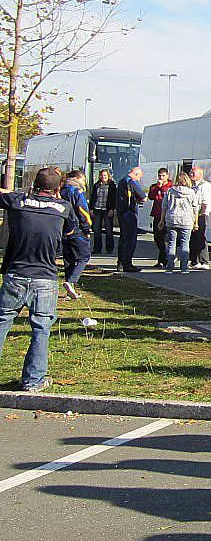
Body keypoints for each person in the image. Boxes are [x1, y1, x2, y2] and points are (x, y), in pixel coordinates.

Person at [0, 167, 78, 391]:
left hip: (16, 273)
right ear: (57, 190)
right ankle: (33, 381)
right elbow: (71, 232)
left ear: (33, 185)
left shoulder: (18, 201)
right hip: (45, 277)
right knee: (41, 329)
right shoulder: (63, 207)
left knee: (2, 322)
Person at [59, 170, 92, 300]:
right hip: (77, 229)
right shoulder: (76, 191)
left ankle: (69, 290)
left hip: (63, 229)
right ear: (77, 178)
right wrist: (87, 228)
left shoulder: (61, 190)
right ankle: (71, 281)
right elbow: (83, 211)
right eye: (83, 179)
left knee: (69, 260)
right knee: (83, 257)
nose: (84, 182)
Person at [161, 169, 199, 274]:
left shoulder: (170, 191)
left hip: (172, 219)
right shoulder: (191, 192)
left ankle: (169, 268)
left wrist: (161, 220)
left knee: (171, 243)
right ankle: (184, 268)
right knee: (185, 244)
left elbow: (164, 206)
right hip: (186, 221)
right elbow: (195, 208)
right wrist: (195, 222)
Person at [115, 166, 146, 272]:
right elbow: (143, 197)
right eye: (139, 177)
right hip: (129, 212)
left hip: (121, 212)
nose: (139, 180)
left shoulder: (121, 181)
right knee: (130, 239)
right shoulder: (132, 182)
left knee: (123, 238)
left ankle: (120, 263)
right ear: (136, 174)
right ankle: (127, 263)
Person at [147, 167, 173, 269]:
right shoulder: (154, 186)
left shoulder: (171, 186)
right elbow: (151, 196)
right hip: (157, 214)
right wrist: (158, 187)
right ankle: (164, 257)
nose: (161, 178)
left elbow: (168, 197)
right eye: (159, 176)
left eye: (163, 176)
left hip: (167, 215)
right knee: (157, 237)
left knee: (165, 237)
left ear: (167, 176)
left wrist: (162, 188)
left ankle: (164, 259)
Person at [189, 166, 211, 270]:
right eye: (190, 173)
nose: (191, 175)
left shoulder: (205, 185)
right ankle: (195, 261)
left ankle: (204, 261)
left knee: (200, 236)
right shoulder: (191, 186)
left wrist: (200, 216)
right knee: (193, 237)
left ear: (200, 174)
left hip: (201, 215)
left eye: (193, 173)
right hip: (192, 214)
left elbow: (205, 202)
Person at [89, 168, 117, 255]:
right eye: (102, 175)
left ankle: (109, 248)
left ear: (108, 176)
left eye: (105, 175)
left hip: (107, 209)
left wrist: (112, 209)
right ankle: (97, 248)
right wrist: (91, 208)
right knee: (96, 229)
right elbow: (92, 197)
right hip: (97, 209)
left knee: (109, 230)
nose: (103, 177)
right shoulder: (96, 185)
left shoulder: (112, 185)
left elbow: (114, 199)